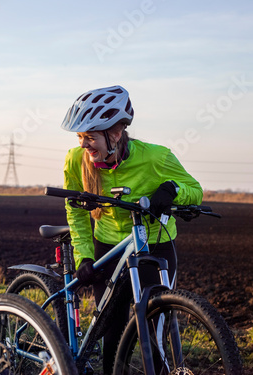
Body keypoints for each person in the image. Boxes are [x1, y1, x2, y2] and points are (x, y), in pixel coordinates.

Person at [61, 85, 203, 374]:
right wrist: (84, 258)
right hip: (108, 248)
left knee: (154, 334)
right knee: (111, 333)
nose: (84, 145)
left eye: (90, 137)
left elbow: (195, 191)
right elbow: (75, 212)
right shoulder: (76, 160)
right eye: (80, 137)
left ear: (115, 133)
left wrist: (172, 189)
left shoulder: (156, 158)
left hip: (154, 247)